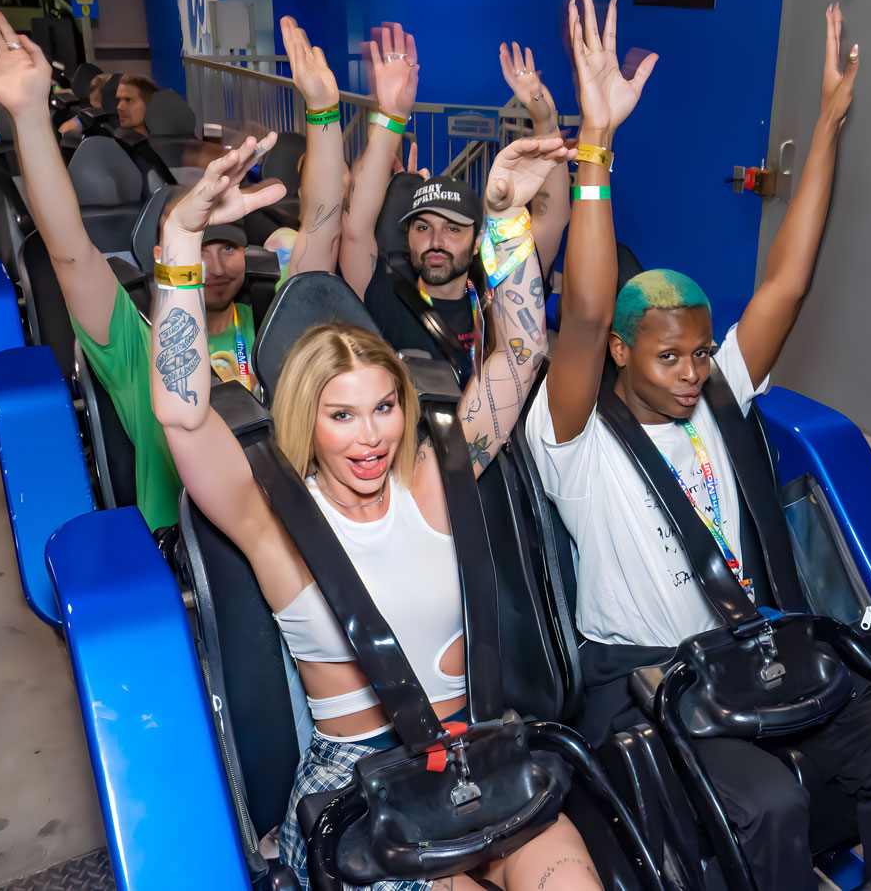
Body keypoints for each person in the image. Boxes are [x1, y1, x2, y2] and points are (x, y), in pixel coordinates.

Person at [526, 0, 871, 889]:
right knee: (768, 803)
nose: (691, 371)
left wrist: (830, 123)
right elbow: (587, 310)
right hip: (650, 682)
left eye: (698, 350)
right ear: (619, 351)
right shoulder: (573, 434)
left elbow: (788, 283)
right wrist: (596, 147)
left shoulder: (717, 395)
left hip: (756, 658)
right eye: (668, 354)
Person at [148, 124, 590, 890]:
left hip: (474, 757)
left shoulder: (436, 476)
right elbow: (184, 416)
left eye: (385, 407)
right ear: (304, 418)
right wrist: (181, 243)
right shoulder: (273, 522)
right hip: (360, 793)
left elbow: (520, 352)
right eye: (342, 414)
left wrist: (510, 221)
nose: (371, 436)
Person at [0, 9, 282, 532]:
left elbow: (329, 245)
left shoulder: (270, 325)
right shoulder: (139, 344)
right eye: (197, 248)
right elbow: (69, 252)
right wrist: (31, 116)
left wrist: (327, 115)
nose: (217, 265)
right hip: (193, 564)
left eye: (229, 247)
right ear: (165, 259)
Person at [284, 19, 569, 386]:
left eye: (452, 228)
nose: (437, 240)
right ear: (407, 237)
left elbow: (553, 219)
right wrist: (392, 116)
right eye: (423, 226)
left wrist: (544, 118)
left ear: (477, 237)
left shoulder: (495, 288)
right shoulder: (385, 293)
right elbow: (353, 230)